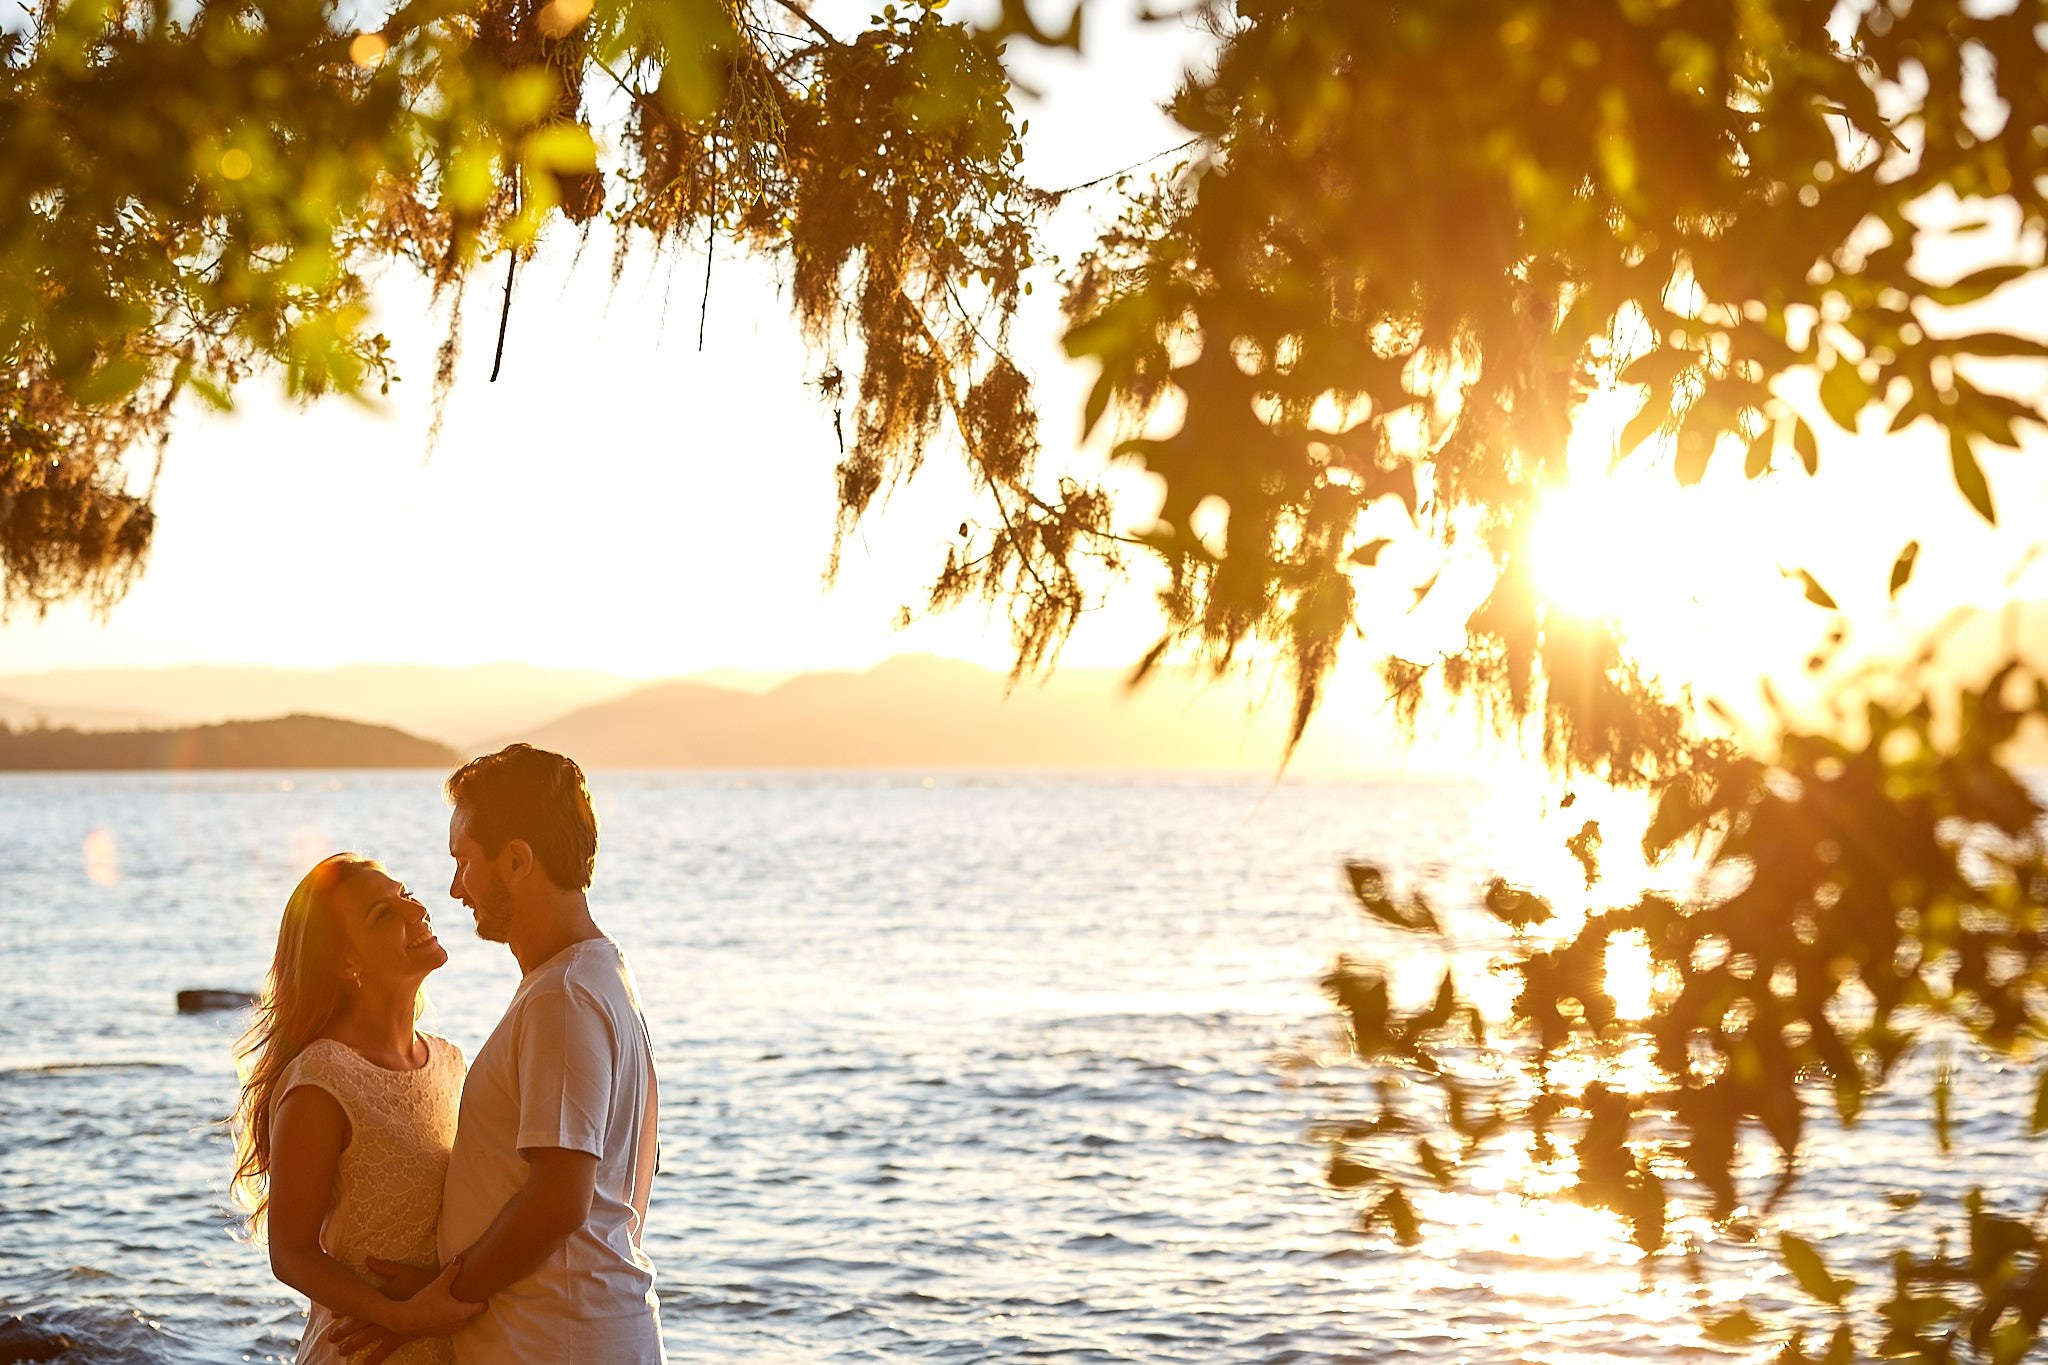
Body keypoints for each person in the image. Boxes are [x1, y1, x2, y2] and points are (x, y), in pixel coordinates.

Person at [331, 744, 664, 1364]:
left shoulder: (563, 998)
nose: (456, 889)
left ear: (516, 860)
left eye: (463, 861)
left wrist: (435, 1303)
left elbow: (558, 1199)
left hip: (558, 1342)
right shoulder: (593, 978)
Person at [230, 854, 481, 1365]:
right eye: (383, 914)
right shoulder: (323, 1079)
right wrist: (397, 1316)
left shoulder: (450, 1061)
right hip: (365, 1349)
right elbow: (292, 1252)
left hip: (452, 1345)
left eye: (405, 893)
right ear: (346, 962)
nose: (415, 910)